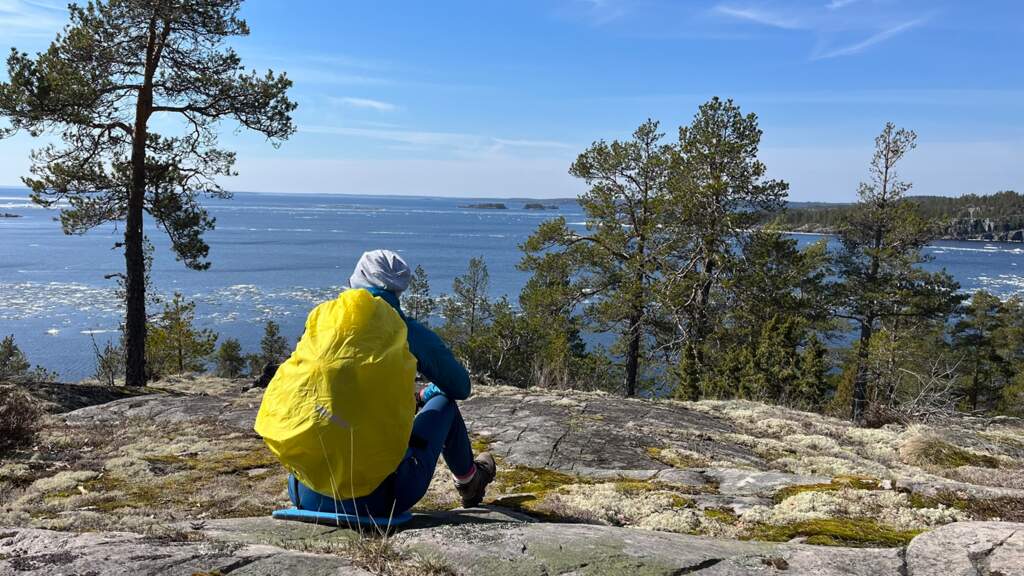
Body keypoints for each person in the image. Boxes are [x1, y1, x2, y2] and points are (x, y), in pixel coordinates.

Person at [286, 249, 496, 517]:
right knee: (444, 403)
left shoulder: (321, 323)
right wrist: (428, 393)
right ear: (398, 290)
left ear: (355, 281)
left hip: (305, 493)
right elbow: (460, 386)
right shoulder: (404, 330)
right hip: (382, 500)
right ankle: (470, 482)